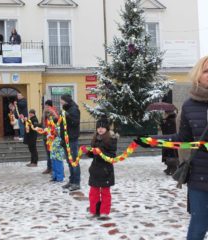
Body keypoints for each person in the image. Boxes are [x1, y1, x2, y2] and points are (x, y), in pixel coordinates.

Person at [135, 56, 208, 240]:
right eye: (206, 71)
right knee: (198, 226)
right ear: (198, 75)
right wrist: (152, 140)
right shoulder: (189, 106)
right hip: (200, 177)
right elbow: (181, 139)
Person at [87, 117, 118, 220]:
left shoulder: (111, 140)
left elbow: (112, 156)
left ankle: (104, 211)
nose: (100, 129)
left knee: (105, 192)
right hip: (95, 169)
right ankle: (93, 211)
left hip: (106, 170)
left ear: (107, 128)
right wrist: (89, 152)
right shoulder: (95, 138)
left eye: (103, 127)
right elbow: (93, 154)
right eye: (98, 127)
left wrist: (100, 152)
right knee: (93, 192)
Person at [60, 94, 81, 191]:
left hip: (72, 139)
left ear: (66, 100)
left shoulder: (74, 109)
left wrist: (68, 116)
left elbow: (75, 122)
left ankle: (76, 182)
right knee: (69, 162)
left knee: (74, 161)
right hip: (65, 138)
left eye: (62, 100)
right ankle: (72, 180)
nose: (60, 101)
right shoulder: (66, 109)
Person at [41, 100, 59, 174]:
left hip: (52, 135)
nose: (45, 107)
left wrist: (50, 114)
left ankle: (53, 168)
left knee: (52, 152)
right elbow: (42, 123)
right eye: (45, 106)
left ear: (50, 106)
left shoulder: (53, 112)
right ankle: (49, 168)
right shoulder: (44, 113)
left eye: (47, 106)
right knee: (48, 153)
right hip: (45, 135)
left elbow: (56, 120)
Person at [160, 110, 179, 175]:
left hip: (170, 140)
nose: (164, 114)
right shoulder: (173, 120)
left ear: (168, 114)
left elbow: (165, 132)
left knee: (170, 154)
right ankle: (169, 168)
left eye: (165, 113)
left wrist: (163, 124)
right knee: (171, 154)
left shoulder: (169, 122)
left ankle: (173, 169)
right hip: (173, 140)